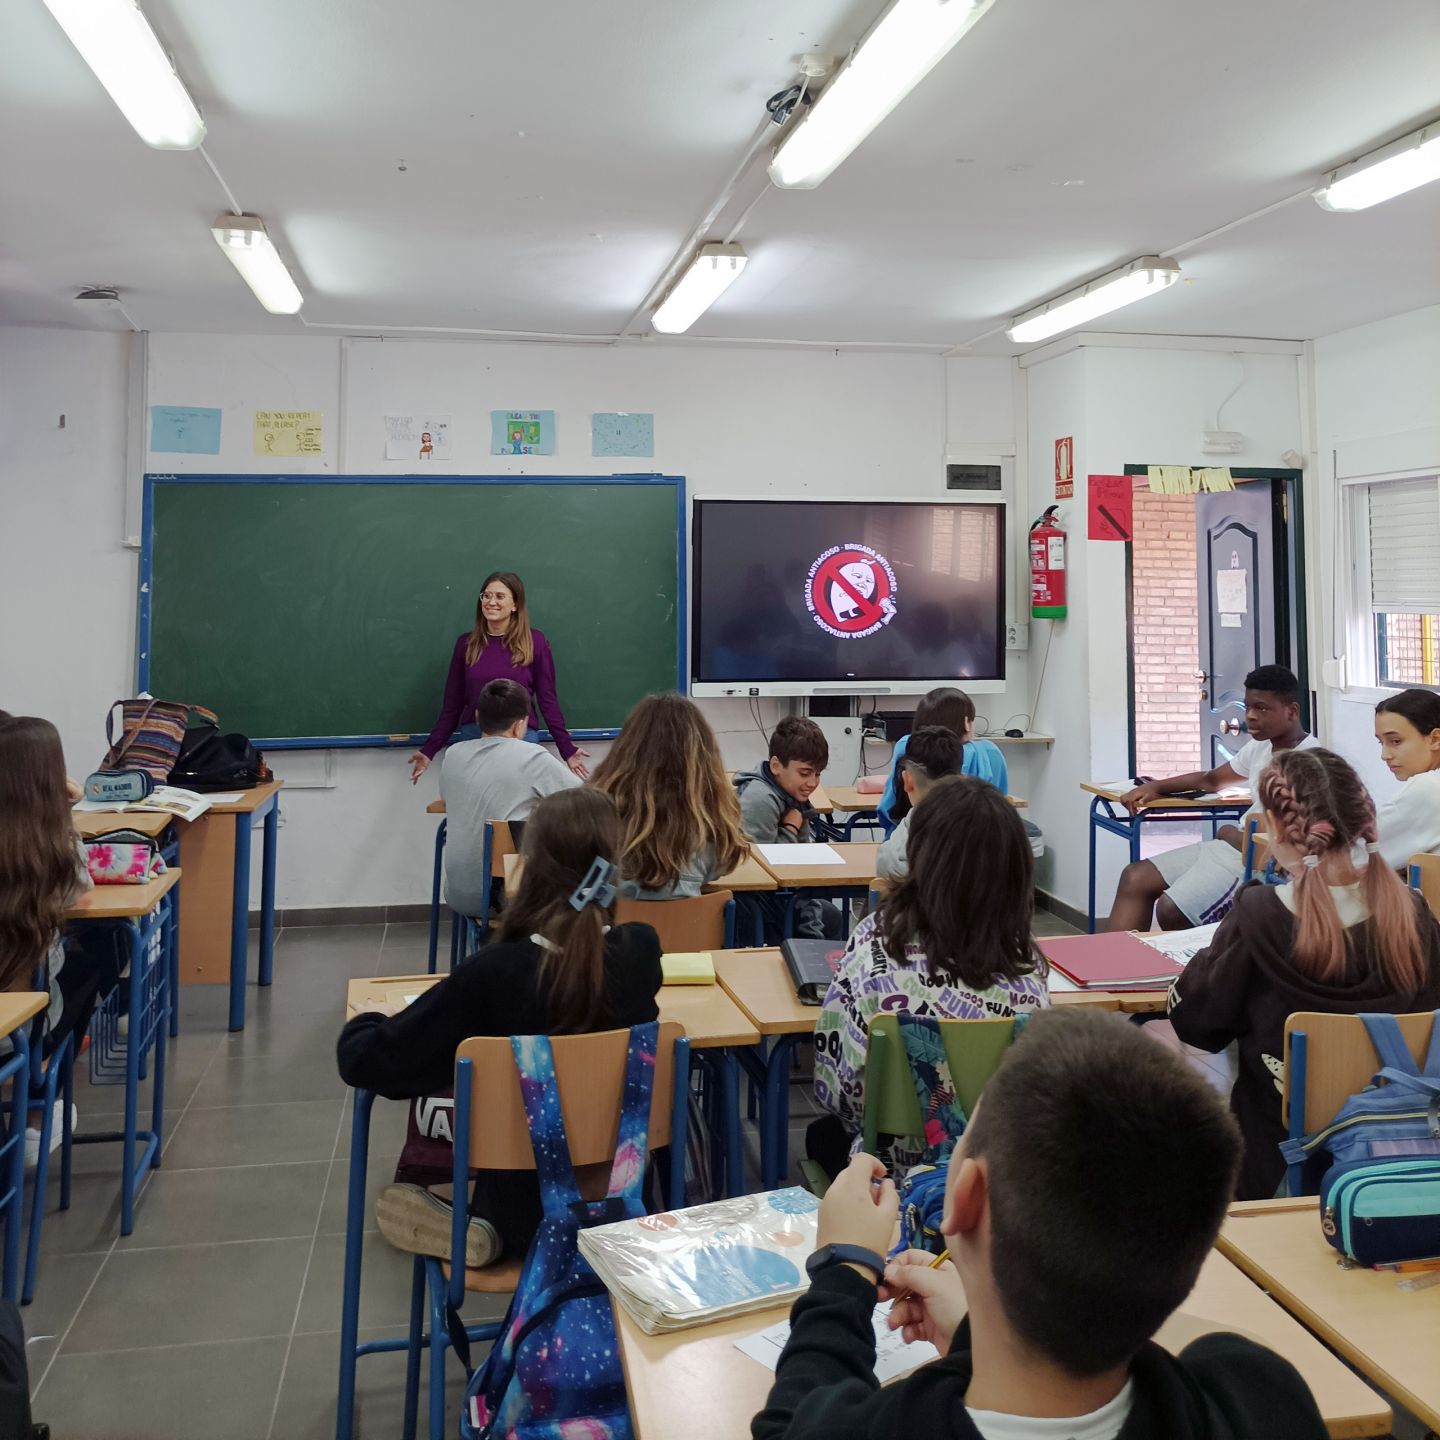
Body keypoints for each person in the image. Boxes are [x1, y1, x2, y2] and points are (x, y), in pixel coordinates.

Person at [755, 1008, 1329, 1440]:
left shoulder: (885, 1424)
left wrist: (845, 1268)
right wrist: (980, 1333)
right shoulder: (1258, 1396)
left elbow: (789, 1421)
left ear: (967, 1197)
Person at [336, 787, 662, 1265]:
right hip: (625, 1203)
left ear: (532, 868)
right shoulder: (640, 953)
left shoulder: (495, 973)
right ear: (614, 870)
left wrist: (365, 1022)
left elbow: (372, 1063)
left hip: (523, 1212)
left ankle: (471, 1226)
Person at [1169, 746, 1440, 1199]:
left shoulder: (1258, 914)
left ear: (1276, 830)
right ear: (1364, 821)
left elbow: (1197, 1023)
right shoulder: (1414, 914)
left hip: (1274, 1163)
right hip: (1396, 1159)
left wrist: (1203, 963)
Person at [810, 776, 1050, 1179]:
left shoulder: (874, 944)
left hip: (892, 1181)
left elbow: (836, 1089)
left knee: (821, 1135)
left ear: (919, 853)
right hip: (997, 1178)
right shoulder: (1028, 970)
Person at [1108, 664, 1320, 932]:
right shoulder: (1261, 746)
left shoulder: (1309, 763)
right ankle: (1116, 959)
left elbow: (1279, 850)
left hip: (1253, 860)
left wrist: (1227, 832)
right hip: (1231, 846)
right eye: (1248, 707)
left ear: (1292, 711)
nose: (1251, 716)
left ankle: (1199, 960)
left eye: (1262, 708)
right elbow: (1213, 780)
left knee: (1171, 910)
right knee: (1134, 878)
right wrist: (1156, 786)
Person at [0, 714, 124, 1159]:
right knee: (98, 953)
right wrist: (63, 813)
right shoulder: (44, 859)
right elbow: (80, 887)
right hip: (15, 1035)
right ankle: (39, 1107)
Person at [410, 570, 588, 785]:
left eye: (500, 596)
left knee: (519, 800)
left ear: (515, 605)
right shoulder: (466, 644)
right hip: (475, 736)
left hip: (520, 737)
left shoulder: (535, 642)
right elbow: (452, 705)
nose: (491, 602)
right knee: (475, 798)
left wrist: (566, 749)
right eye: (486, 595)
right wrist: (429, 750)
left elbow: (548, 700)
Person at [439, 678, 579, 920]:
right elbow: (587, 803)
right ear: (519, 725)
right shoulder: (532, 756)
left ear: (477, 716)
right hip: (506, 898)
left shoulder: (453, 755)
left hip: (458, 894)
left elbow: (448, 798)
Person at [589, 692, 747, 900]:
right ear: (703, 757)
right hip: (691, 921)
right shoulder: (714, 823)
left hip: (611, 919)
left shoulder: (595, 814)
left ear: (625, 749)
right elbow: (720, 868)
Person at [734, 716, 842, 941]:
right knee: (826, 919)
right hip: (753, 906)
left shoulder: (791, 795)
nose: (812, 783)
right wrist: (791, 829)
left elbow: (799, 862)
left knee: (830, 915)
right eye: (804, 773)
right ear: (776, 766)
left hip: (776, 897)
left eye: (818, 774)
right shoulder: (760, 798)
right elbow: (756, 869)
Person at [855, 687, 1008, 824]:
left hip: (912, 838)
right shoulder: (989, 752)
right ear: (967, 723)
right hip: (981, 841)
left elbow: (889, 806)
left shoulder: (906, 744)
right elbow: (1001, 805)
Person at [874, 726, 966, 881]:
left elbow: (883, 871)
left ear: (907, 781)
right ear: (962, 778)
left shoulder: (893, 854)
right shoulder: (990, 831)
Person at [1373, 688, 1440, 869]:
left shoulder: (1429, 788)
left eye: (1396, 741)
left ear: (1435, 739)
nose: (1384, 755)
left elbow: (1356, 856)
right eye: (1381, 742)